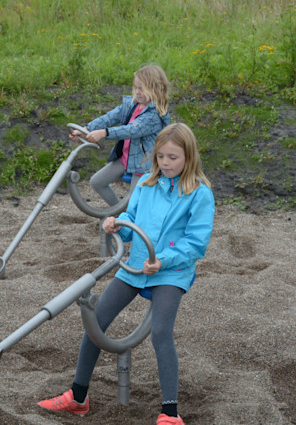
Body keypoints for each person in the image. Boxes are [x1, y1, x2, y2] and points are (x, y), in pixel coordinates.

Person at [39, 122, 215, 425]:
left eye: (173, 157)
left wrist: (163, 260)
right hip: (135, 267)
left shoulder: (199, 194)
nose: (166, 163)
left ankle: (170, 413)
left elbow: (196, 243)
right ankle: (78, 397)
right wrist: (116, 223)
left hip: (170, 273)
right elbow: (132, 218)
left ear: (189, 157)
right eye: (161, 157)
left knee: (160, 332)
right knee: (96, 323)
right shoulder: (146, 183)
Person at [71, 64, 171, 207]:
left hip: (144, 166)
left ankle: (129, 220)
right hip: (126, 159)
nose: (137, 92)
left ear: (155, 89)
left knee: (132, 201)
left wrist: (104, 133)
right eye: (136, 87)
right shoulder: (132, 105)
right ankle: (119, 215)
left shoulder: (153, 116)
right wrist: (86, 128)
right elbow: (109, 118)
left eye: (142, 88)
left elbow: (131, 130)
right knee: (97, 182)